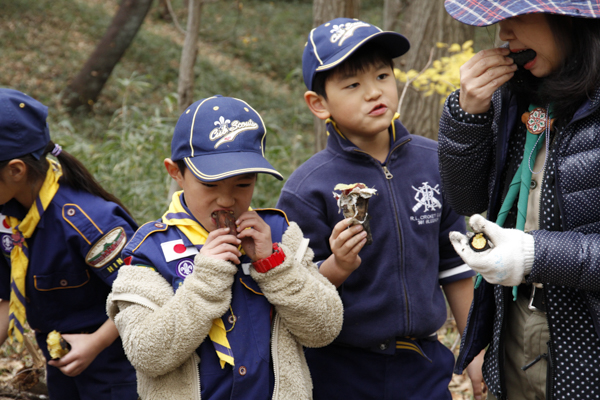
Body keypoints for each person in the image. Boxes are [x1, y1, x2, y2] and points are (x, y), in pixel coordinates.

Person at [276, 18, 479, 400]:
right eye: (352, 85)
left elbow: (455, 266)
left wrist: (474, 352)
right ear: (319, 104)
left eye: (383, 75)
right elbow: (293, 293)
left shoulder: (433, 162)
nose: (374, 92)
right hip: (339, 370)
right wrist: (336, 266)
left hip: (424, 365)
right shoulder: (308, 189)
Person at [106, 95, 343, 400]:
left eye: (243, 185)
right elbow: (148, 354)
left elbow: (324, 329)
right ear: (175, 172)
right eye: (210, 185)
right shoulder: (148, 252)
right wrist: (205, 281)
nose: (227, 200)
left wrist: (274, 266)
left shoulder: (280, 235)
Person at [438, 1, 600, 399]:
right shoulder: (518, 98)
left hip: (586, 350)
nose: (504, 34)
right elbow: (465, 198)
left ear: (573, 21)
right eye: (499, 20)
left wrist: (533, 254)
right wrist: (467, 112)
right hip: (512, 326)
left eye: (520, 17)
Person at [0, 88, 139, 399]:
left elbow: (143, 295)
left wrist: (97, 342)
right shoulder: (8, 220)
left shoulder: (89, 225)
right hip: (61, 366)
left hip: (116, 370)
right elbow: (7, 300)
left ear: (16, 170)